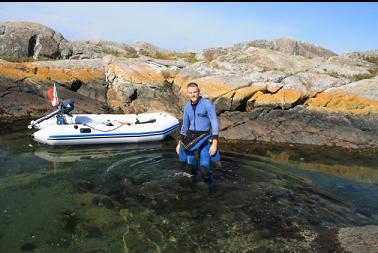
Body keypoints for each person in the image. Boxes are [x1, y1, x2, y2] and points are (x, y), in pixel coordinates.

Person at [176, 82, 220, 192]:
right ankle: (193, 190)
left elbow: (214, 122)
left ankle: (212, 190)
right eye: (190, 93)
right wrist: (179, 143)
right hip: (190, 139)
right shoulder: (187, 107)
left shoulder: (207, 104)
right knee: (190, 168)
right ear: (187, 94)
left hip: (205, 138)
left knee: (204, 169)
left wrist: (214, 143)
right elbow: (185, 126)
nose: (193, 95)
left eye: (195, 92)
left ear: (199, 91)